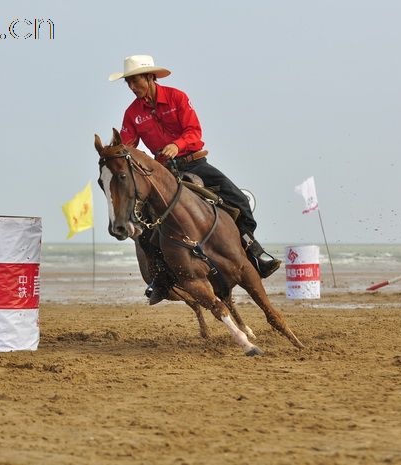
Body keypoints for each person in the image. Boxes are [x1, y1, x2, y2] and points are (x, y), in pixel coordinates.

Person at [109, 55, 281, 304]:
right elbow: (128, 146)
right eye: (129, 84)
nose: (132, 87)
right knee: (145, 228)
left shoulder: (176, 97)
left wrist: (176, 146)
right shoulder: (132, 113)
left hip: (195, 163)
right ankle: (160, 279)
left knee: (240, 201)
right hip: (163, 174)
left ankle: (254, 251)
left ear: (149, 77)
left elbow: (193, 131)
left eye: (135, 81)